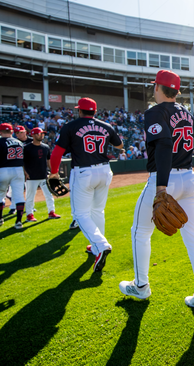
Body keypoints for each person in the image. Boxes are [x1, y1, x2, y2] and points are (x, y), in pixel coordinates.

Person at [119, 70, 194, 312]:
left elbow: (163, 144)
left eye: (154, 86)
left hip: (165, 179)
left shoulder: (154, 111)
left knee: (140, 231)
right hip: (189, 178)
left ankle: (140, 286)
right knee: (193, 236)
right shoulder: (186, 112)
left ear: (158, 88)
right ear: (177, 91)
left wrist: (161, 186)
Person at [49, 97, 124, 272]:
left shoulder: (71, 126)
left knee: (80, 213)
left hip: (83, 171)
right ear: (95, 111)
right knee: (98, 210)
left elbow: (56, 153)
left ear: (80, 111)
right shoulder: (106, 126)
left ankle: (101, 244)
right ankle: (97, 247)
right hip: (104, 170)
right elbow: (120, 145)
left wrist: (54, 172)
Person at [0, 123, 27, 229]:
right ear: (12, 132)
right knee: (19, 195)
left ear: (0, 132)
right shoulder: (19, 142)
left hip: (3, 170)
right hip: (18, 169)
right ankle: (19, 222)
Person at [23, 127, 61, 222]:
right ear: (33, 135)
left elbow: (48, 161)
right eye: (40, 134)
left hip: (44, 176)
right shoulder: (27, 148)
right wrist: (25, 173)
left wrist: (53, 172)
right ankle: (29, 214)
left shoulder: (45, 147)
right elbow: (22, 162)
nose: (42, 135)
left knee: (49, 195)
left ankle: (51, 212)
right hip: (31, 176)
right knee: (30, 197)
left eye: (42, 134)